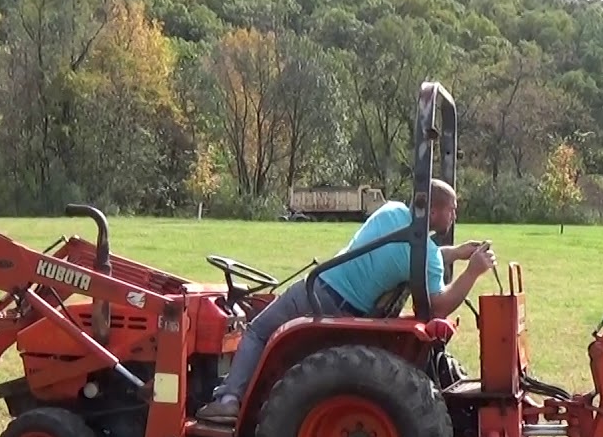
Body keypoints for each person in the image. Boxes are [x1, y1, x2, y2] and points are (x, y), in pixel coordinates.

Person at [195, 178, 496, 424]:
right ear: (432, 213)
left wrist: (457, 256)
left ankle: (228, 398)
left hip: (320, 292)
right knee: (260, 331)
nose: (454, 216)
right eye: (451, 210)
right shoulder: (425, 253)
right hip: (343, 304)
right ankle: (230, 400)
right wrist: (472, 271)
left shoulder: (390, 212)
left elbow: (421, 280)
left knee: (257, 331)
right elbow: (437, 302)